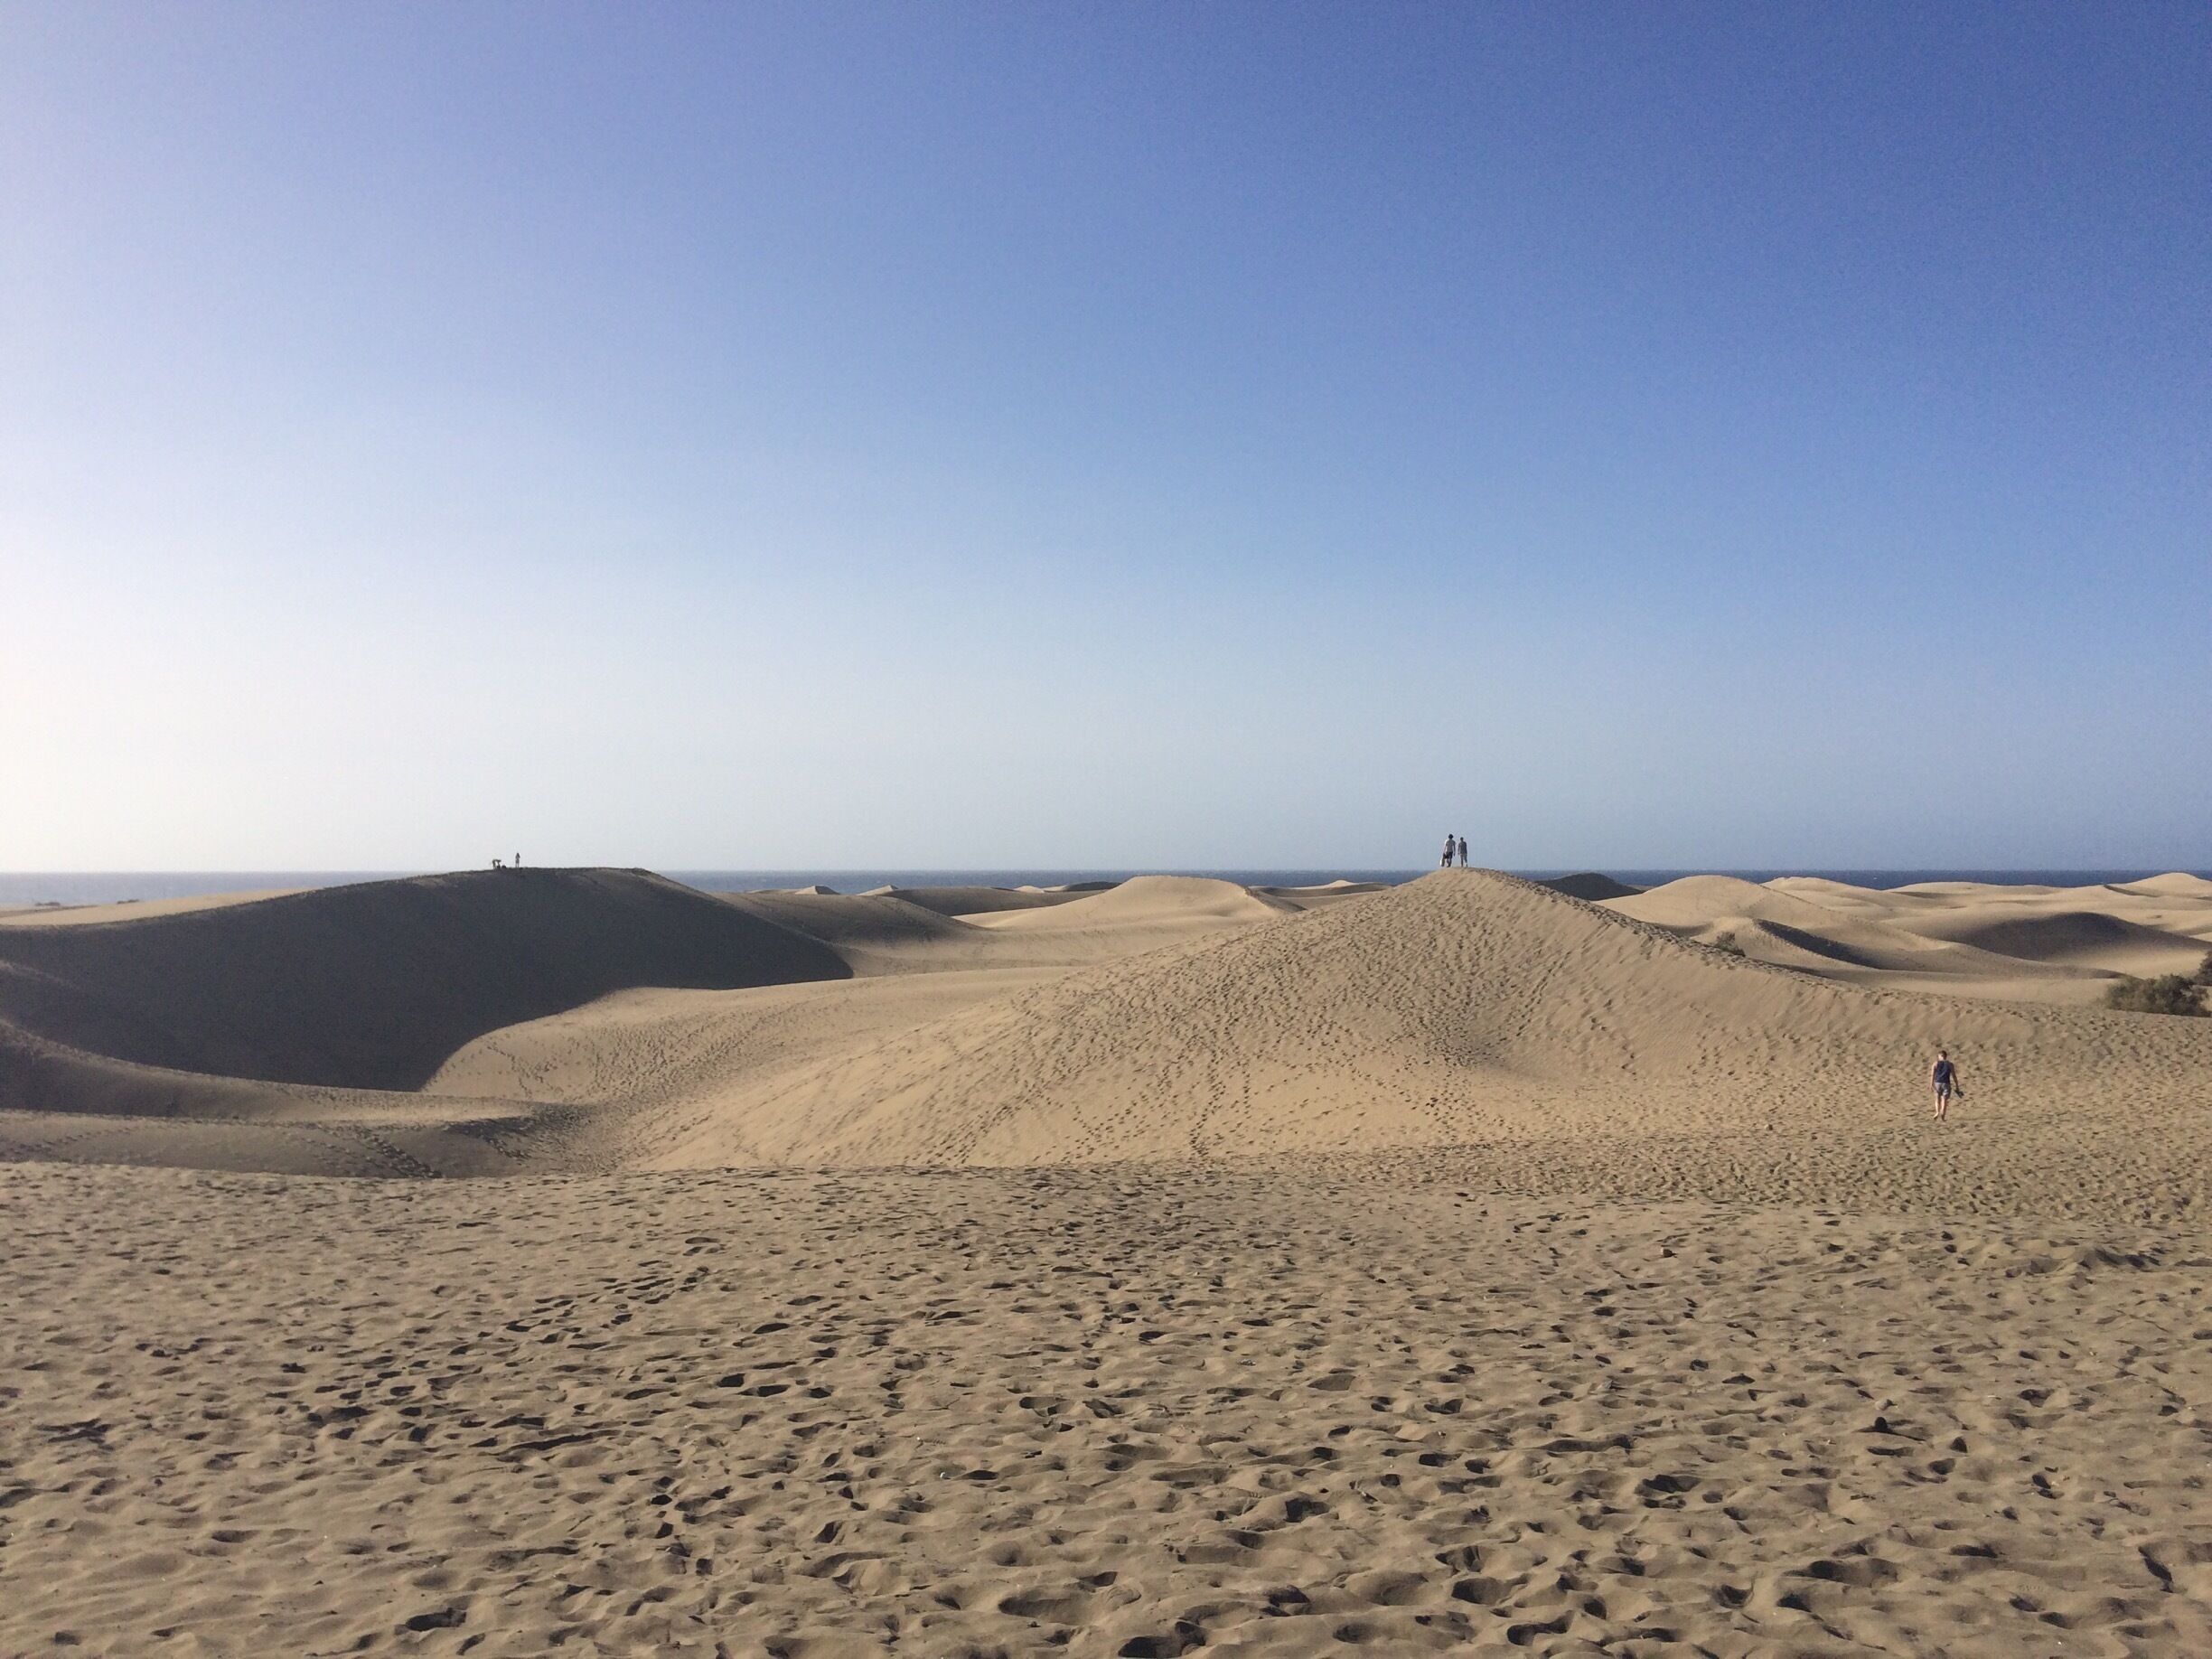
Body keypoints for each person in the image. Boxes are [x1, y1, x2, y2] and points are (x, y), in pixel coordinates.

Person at [1930, 1050, 1961, 1120]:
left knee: (1937, 1099)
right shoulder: (1950, 1064)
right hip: (1946, 1083)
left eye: (1938, 1056)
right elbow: (1954, 1075)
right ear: (1946, 1056)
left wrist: (1931, 1084)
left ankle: (1937, 1112)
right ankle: (1943, 1115)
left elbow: (1932, 1075)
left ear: (1940, 1056)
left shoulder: (1935, 1063)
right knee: (1944, 1099)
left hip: (1937, 1083)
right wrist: (1957, 1085)